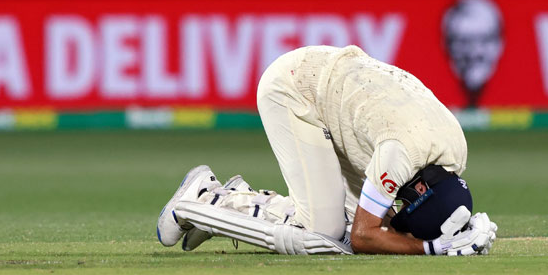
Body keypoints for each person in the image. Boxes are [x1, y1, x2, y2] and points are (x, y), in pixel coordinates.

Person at [156, 45, 498, 255]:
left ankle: (238, 206)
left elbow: (388, 219)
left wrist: (458, 228)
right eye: (408, 204)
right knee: (323, 231)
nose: (401, 208)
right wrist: (430, 248)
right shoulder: (400, 154)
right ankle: (204, 198)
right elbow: (367, 237)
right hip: (297, 88)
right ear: (421, 187)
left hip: (351, 108)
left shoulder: (454, 152)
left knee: (343, 225)